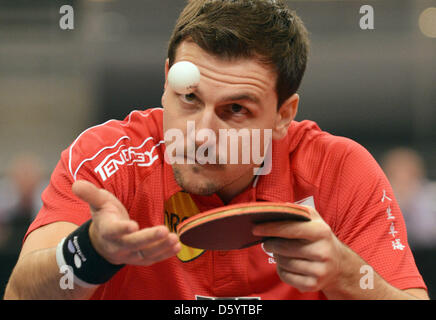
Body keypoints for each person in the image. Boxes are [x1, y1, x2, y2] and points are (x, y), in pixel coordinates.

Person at [4, 0, 428, 300]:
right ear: (167, 79)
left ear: (284, 114)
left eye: (236, 109)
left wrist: (347, 275)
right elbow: (20, 293)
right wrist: (89, 252)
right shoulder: (107, 158)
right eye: (188, 97)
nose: (201, 134)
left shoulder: (339, 170)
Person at [381, 147, 436, 249]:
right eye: (397, 172)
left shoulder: (431, 193)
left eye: (407, 171)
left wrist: (411, 198)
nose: (402, 176)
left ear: (418, 172)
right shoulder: (380, 196)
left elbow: (429, 230)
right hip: (392, 249)